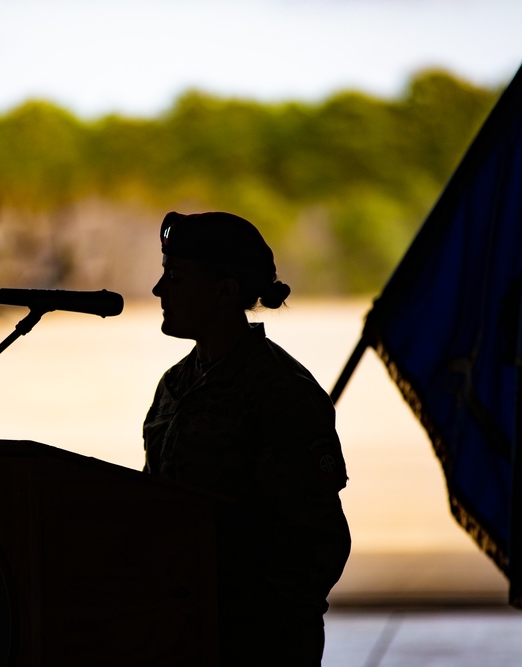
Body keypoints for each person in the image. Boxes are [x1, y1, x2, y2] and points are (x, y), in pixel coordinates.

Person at [143, 211, 351, 665]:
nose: (160, 291)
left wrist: (258, 626)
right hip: (183, 630)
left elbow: (320, 541)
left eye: (176, 277)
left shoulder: (281, 391)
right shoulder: (175, 385)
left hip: (256, 642)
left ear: (225, 291)